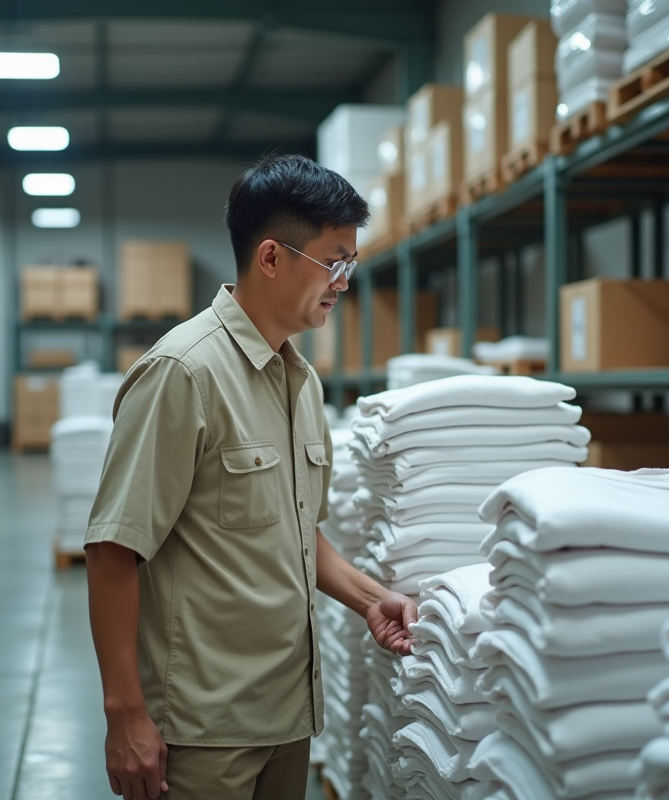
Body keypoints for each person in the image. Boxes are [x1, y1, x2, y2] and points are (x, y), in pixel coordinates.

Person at [84, 153, 419, 800]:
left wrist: (370, 598)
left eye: (350, 263)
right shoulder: (183, 374)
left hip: (287, 716)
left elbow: (294, 529)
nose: (344, 282)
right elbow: (112, 550)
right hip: (204, 731)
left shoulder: (300, 381)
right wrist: (124, 715)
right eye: (334, 262)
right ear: (271, 258)